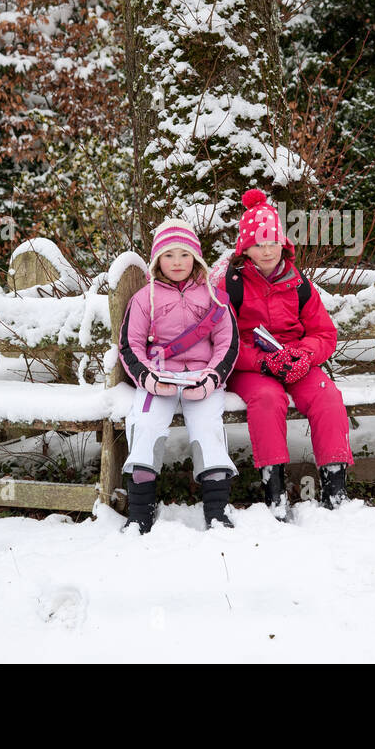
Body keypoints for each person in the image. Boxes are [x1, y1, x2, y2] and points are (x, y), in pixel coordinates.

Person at [215, 189, 353, 518]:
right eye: (259, 244)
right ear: (245, 248)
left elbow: (324, 333)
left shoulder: (298, 283)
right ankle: (275, 494)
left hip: (295, 362)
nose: (267, 251)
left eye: (273, 242)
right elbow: (222, 341)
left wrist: (303, 354)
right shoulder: (231, 285)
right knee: (267, 399)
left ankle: (335, 491)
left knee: (327, 395)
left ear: (283, 245)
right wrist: (262, 360)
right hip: (252, 368)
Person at [118, 219, 240, 533]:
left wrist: (212, 378)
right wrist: (149, 379)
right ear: (158, 260)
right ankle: (140, 512)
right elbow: (130, 345)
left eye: (184, 255)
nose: (177, 262)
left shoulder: (212, 296)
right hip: (159, 378)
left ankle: (216, 511)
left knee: (208, 430)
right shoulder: (145, 298)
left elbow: (227, 342)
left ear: (196, 258)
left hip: (201, 379)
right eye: (169, 255)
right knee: (145, 427)